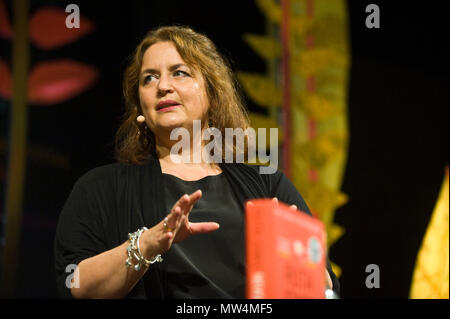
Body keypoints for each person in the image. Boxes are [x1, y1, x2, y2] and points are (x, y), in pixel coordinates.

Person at [54, 25, 340, 299]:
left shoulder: (268, 183)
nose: (163, 86)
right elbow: (75, 282)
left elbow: (326, 290)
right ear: (140, 107)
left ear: (213, 97)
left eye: (179, 73)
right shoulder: (101, 188)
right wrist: (148, 244)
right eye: (149, 78)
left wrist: (297, 255)